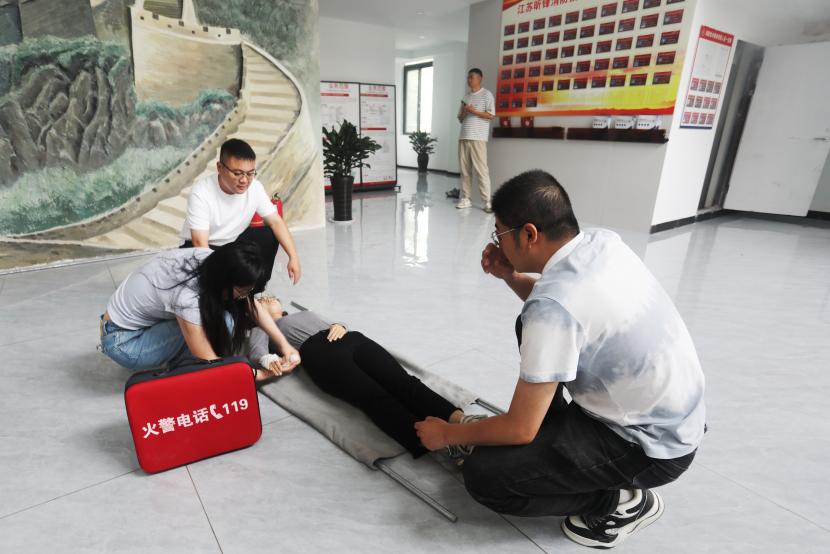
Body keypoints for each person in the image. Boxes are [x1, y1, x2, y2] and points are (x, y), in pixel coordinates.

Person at [415, 170, 706, 549]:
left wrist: (447, 435)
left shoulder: (552, 307)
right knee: (528, 323)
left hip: (648, 448)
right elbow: (565, 311)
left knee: (485, 476)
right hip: (669, 419)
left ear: (529, 234)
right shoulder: (602, 244)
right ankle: (552, 441)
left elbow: (520, 427)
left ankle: (620, 501)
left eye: (500, 234)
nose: (497, 243)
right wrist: (510, 274)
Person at [246, 296, 483, 458]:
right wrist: (270, 361)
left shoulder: (305, 313)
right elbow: (258, 353)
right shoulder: (261, 329)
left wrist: (339, 325)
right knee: (376, 399)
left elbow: (334, 322)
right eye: (261, 301)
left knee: (404, 382)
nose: (267, 299)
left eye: (269, 297)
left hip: (353, 340)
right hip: (320, 355)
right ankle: (442, 447)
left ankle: (462, 422)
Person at [100, 242, 300, 377]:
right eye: (241, 291)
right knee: (223, 324)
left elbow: (249, 303)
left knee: (222, 319)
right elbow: (211, 362)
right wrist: (262, 374)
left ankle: (180, 361)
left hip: (127, 324)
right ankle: (183, 372)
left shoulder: (209, 259)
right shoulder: (187, 298)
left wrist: (285, 345)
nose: (244, 297)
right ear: (225, 280)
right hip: (124, 343)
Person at [180, 138, 301, 291]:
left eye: (250, 173)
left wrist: (293, 257)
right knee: (208, 287)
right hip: (198, 247)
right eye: (237, 173)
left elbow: (276, 222)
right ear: (219, 167)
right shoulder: (202, 191)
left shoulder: (255, 188)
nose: (244, 180)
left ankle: (253, 289)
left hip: (230, 244)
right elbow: (199, 243)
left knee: (268, 233)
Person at [456, 68, 495, 213]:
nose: (469, 80)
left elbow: (491, 115)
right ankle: (466, 198)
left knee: (481, 170)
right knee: (465, 170)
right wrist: (464, 111)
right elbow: (460, 119)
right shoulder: (466, 96)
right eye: (468, 77)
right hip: (464, 136)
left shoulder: (486, 94)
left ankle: (487, 202)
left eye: (471, 77)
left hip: (478, 138)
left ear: (480, 78)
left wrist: (474, 111)